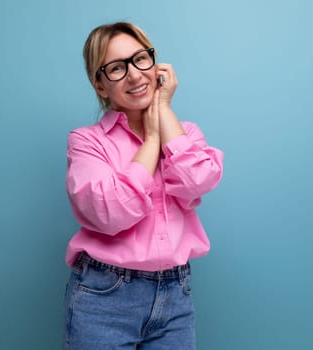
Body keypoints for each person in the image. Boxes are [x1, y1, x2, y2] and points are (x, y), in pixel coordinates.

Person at [63, 22, 224, 349]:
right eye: (117, 68)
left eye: (140, 59)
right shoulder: (86, 142)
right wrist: (151, 141)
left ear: (156, 65)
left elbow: (198, 181)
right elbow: (110, 214)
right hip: (103, 297)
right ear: (100, 85)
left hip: (176, 295)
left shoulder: (186, 134)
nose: (135, 75)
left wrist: (163, 110)